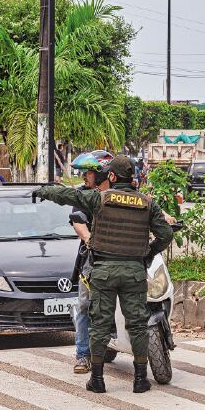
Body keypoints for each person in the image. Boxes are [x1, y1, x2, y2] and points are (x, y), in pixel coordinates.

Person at [34, 155, 173, 394]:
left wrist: (44, 192)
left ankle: (97, 379)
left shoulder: (99, 199)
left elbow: (70, 195)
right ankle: (140, 379)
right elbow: (166, 235)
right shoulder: (147, 203)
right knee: (138, 325)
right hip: (134, 272)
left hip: (104, 271)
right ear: (133, 177)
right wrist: (148, 254)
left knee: (99, 325)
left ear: (111, 176)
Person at [66, 150, 113, 375]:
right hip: (92, 260)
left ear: (102, 173)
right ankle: (83, 355)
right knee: (84, 305)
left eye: (89, 172)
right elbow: (78, 221)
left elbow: (147, 208)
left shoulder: (123, 193)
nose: (85, 176)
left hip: (124, 258)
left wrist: (166, 218)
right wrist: (90, 240)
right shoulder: (84, 195)